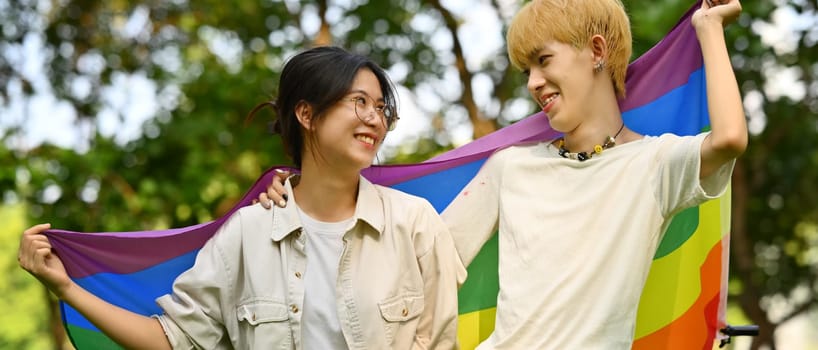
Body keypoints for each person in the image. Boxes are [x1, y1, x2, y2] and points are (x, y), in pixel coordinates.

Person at [260, 1, 747, 349]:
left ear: (596, 50)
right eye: (526, 70)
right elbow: (421, 257)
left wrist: (709, 28)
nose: (534, 82)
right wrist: (306, 195)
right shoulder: (512, 166)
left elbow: (728, 139)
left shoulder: (653, 166)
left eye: (543, 60)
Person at [19, 46, 466, 349]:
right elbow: (173, 339)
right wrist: (66, 288)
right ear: (306, 113)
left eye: (380, 107)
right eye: (359, 102)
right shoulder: (248, 235)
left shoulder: (415, 224)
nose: (375, 119)